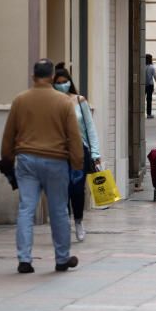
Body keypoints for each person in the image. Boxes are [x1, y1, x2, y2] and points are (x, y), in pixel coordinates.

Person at [1, 59, 83, 273]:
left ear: (33, 76)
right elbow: (74, 136)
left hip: (27, 160)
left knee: (26, 209)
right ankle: (62, 258)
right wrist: (77, 163)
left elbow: (9, 133)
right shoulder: (64, 102)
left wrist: (7, 159)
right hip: (56, 161)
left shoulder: (20, 100)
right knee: (58, 210)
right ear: (52, 77)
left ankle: (24, 259)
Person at [53, 64, 101, 242]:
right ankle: (64, 222)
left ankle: (78, 221)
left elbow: (90, 128)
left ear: (69, 82)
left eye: (65, 81)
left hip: (79, 151)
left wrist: (95, 153)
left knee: (77, 190)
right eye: (58, 82)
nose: (62, 85)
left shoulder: (80, 101)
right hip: (57, 152)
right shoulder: (51, 102)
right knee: (61, 190)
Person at [144, 54, 156, 119]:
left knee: (141, 99)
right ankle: (149, 114)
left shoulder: (143, 66)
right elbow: (155, 77)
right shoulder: (152, 67)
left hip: (143, 85)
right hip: (150, 85)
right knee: (149, 99)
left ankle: (142, 113)